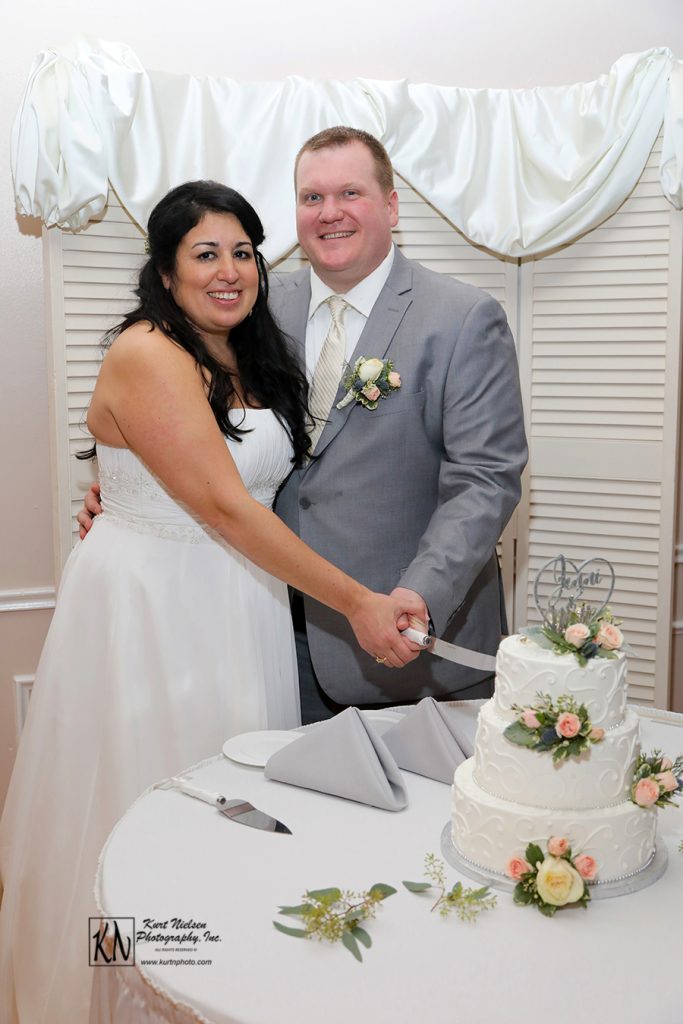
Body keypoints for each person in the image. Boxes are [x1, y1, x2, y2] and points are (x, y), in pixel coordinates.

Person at [0, 180, 423, 1024]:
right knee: (147, 801)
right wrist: (357, 604)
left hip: (241, 600)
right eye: (205, 254)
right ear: (164, 268)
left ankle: (223, 980)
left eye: (243, 252)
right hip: (154, 610)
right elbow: (226, 504)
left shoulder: (247, 350)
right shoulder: (148, 352)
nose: (229, 271)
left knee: (234, 809)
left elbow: (256, 489)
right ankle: (130, 995)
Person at [80, 127, 528, 726]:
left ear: (391, 206)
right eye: (311, 197)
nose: (330, 213)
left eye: (350, 192)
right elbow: (191, 431)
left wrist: (417, 595)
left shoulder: (464, 317)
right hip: (268, 636)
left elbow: (485, 480)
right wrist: (132, 489)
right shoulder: (254, 307)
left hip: (404, 642)